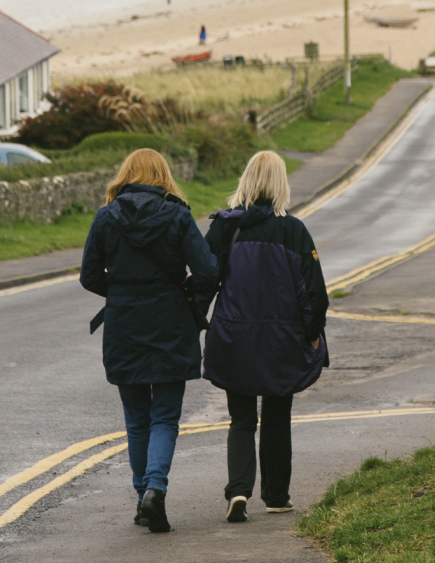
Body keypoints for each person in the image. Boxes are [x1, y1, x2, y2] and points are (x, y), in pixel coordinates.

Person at [79, 149, 218, 533]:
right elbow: (208, 270)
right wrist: (183, 287)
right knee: (166, 416)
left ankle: (144, 496)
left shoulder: (106, 217)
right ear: (163, 176)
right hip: (171, 320)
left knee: (137, 419)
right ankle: (155, 489)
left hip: (124, 323)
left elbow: (90, 276)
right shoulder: (177, 214)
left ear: (126, 175)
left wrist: (122, 290)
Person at [200, 151, 328, 523]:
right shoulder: (294, 230)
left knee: (241, 418)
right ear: (280, 184)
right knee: (276, 414)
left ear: (246, 179)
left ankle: (238, 491)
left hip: (233, 336)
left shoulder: (225, 227)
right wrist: (313, 333)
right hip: (281, 340)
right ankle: (276, 496)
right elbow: (313, 293)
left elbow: (206, 280)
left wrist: (196, 319)